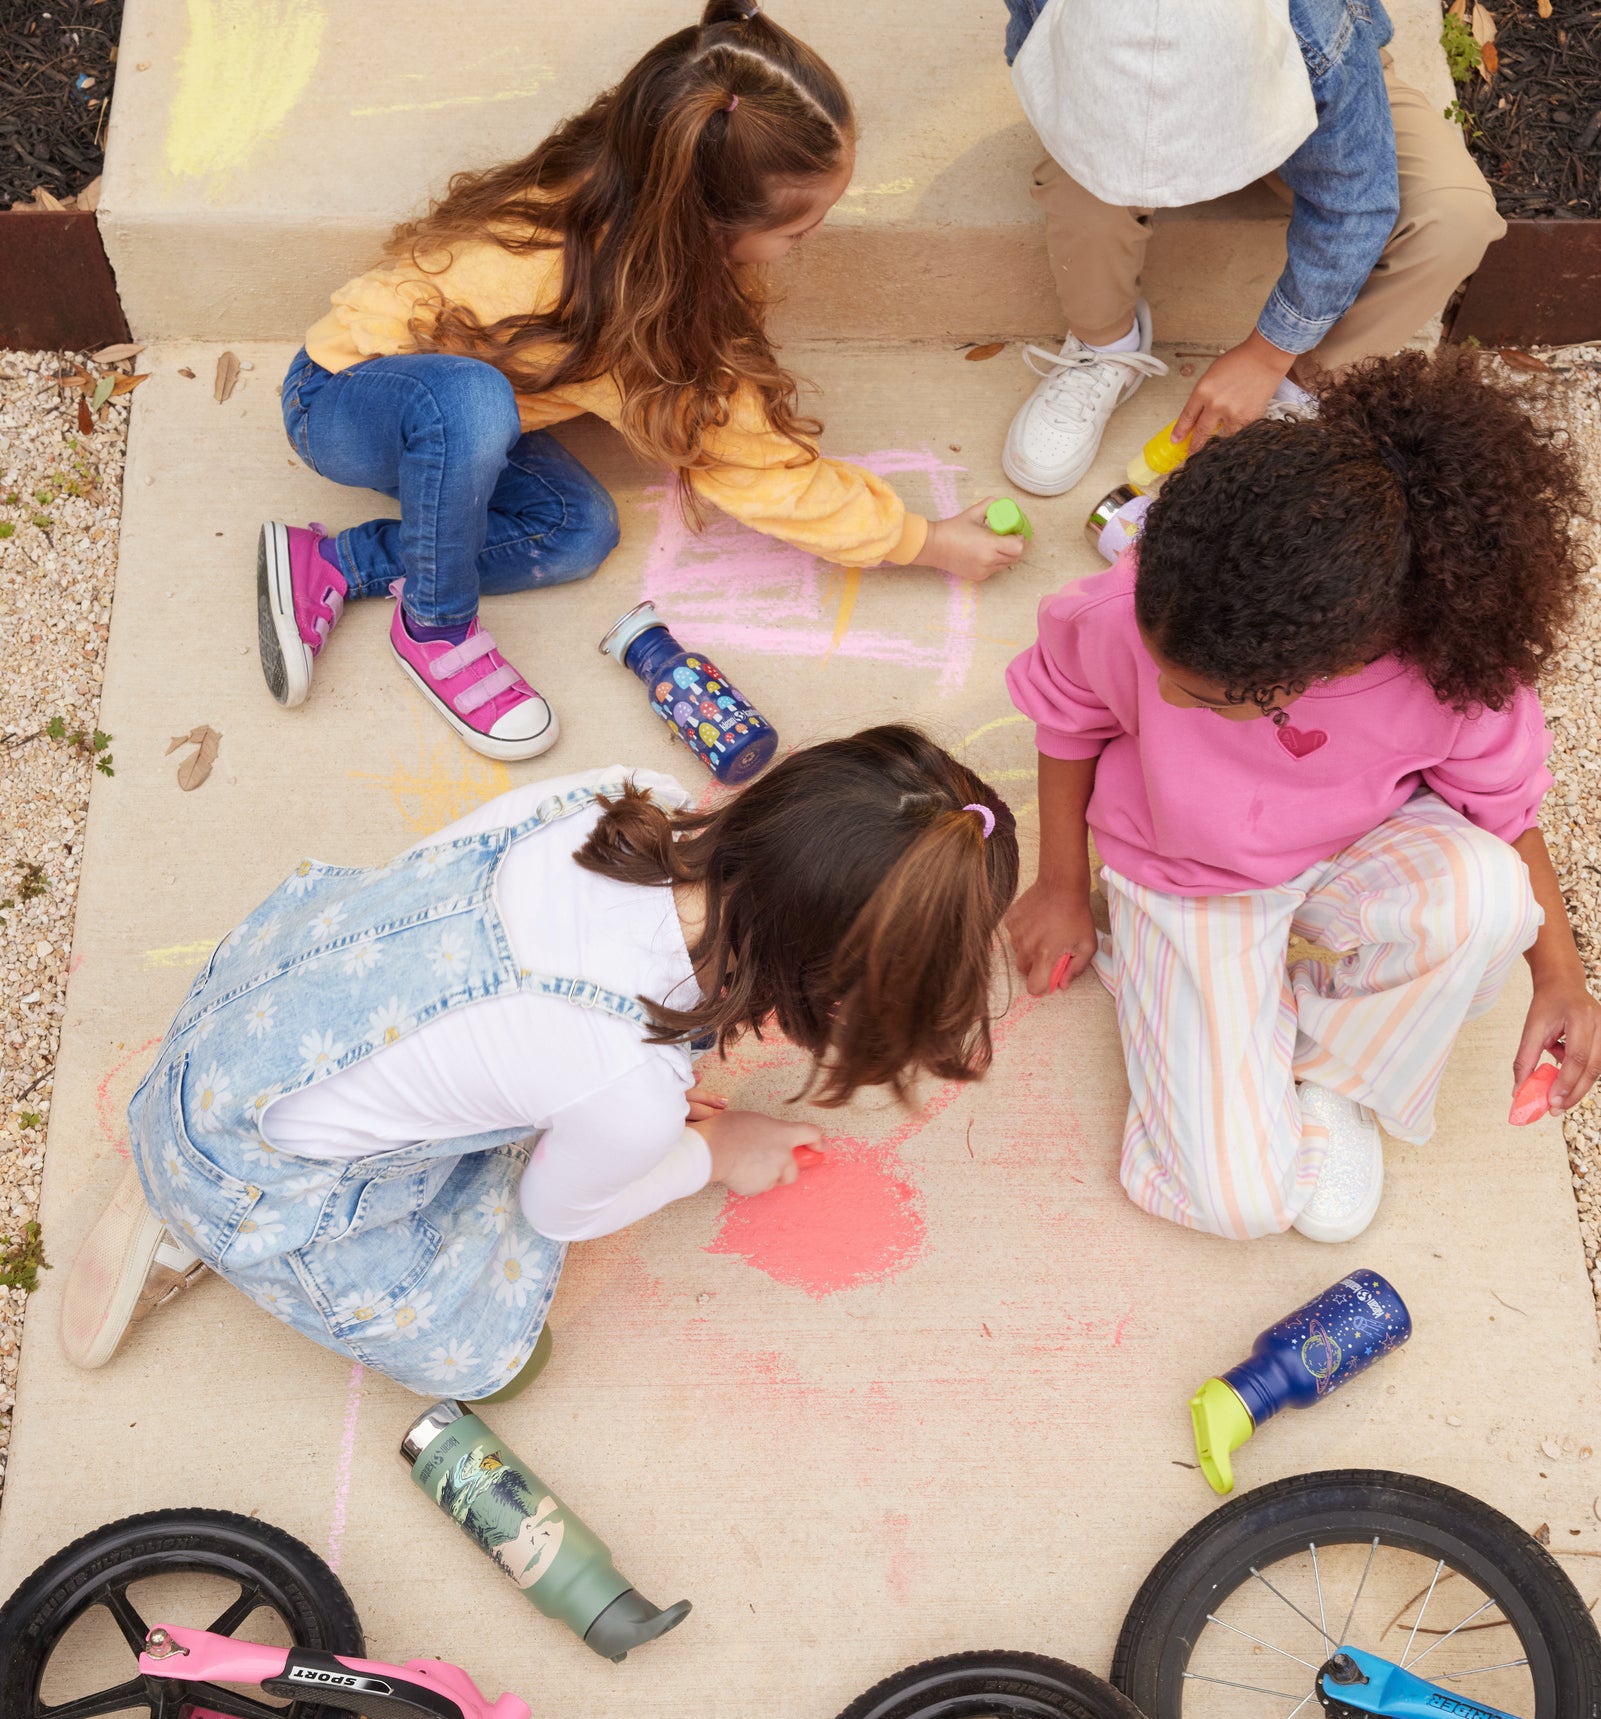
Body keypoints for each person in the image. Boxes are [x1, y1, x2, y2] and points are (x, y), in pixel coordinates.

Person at [61, 728, 1020, 1395]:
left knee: (529, 1109)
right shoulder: (621, 1083)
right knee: (502, 1365)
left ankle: (177, 1152)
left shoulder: (617, 798)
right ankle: (187, 1214)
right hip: (251, 1172)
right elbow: (557, 1212)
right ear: (830, 979)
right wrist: (713, 1153)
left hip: (248, 1013)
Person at [256, 0, 1022, 762]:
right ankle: (435, 625)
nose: (810, 238)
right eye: (797, 230)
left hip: (465, 408)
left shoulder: (635, 172)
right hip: (343, 398)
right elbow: (757, 472)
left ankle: (329, 562)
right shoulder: (632, 307)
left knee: (577, 533)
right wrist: (920, 542)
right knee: (470, 402)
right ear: (705, 228)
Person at [1005, 349, 1594, 1243]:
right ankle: (1195, 982)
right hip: (1186, 874)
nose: (1160, 703)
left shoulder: (1450, 669)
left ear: (1314, 669)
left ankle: (1335, 1077)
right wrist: (1058, 884)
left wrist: (1560, 974)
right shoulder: (1147, 608)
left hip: (1352, 856)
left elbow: (1504, 818)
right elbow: (1068, 716)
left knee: (1485, 900)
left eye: (1201, 696)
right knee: (1237, 1205)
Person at [998, 0, 1506, 496]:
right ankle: (1103, 346)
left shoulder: (1314, 21)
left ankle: (1302, 390)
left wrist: (1268, 355)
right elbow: (1039, 66)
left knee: (1453, 217)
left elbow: (1354, 202)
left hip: (1298, 83)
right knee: (1079, 176)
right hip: (1121, 93)